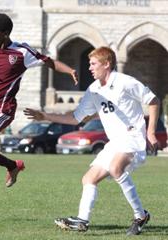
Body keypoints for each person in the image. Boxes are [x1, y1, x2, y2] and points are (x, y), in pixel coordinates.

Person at [24, 46, 160, 235]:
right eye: (89, 64)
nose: (89, 68)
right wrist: (44, 116)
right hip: (115, 143)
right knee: (89, 179)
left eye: (93, 64)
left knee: (115, 168)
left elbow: (153, 101)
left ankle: (140, 215)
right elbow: (75, 118)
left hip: (132, 137)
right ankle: (82, 221)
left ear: (107, 64)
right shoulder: (93, 89)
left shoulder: (125, 82)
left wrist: (151, 132)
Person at [0, 13, 78, 188]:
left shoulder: (21, 52)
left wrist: (70, 71)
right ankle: (12, 165)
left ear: (5, 33)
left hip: (2, 109)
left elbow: (49, 62)